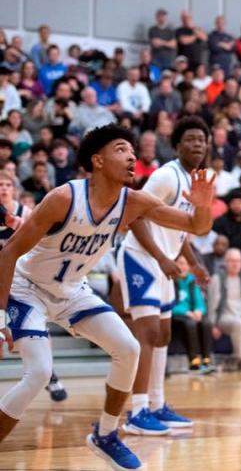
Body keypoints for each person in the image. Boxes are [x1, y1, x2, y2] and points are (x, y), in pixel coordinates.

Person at [0, 124, 216, 471]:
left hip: (72, 289)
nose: (132, 156)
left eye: (133, 150)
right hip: (29, 289)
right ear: (97, 161)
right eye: (121, 149)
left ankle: (105, 433)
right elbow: (8, 253)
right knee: (39, 372)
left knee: (129, 349)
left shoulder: (134, 201)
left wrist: (204, 206)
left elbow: (197, 227)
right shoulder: (63, 198)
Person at [116, 116, 212, 436]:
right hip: (140, 258)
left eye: (202, 139)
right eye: (191, 139)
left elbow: (181, 230)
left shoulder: (193, 181)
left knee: (164, 335)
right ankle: (138, 410)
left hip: (164, 262)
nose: (197, 144)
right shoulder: (166, 176)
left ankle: (157, 404)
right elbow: (134, 215)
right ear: (177, 145)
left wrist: (194, 264)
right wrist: (160, 258)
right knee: (146, 334)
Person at [0, 174, 67, 401]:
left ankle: (50, 375)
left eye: (8, 184)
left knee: (37, 325)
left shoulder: (25, 213)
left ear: (14, 189)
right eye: (0, 184)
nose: (4, 188)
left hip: (21, 276)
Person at [170, 256, 214, 374]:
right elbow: (169, 304)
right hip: (176, 315)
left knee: (206, 322)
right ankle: (193, 360)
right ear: (174, 264)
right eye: (180, 263)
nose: (183, 267)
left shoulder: (192, 280)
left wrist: (198, 311)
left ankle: (206, 359)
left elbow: (200, 301)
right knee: (190, 323)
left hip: (191, 314)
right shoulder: (170, 280)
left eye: (185, 264)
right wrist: (186, 312)